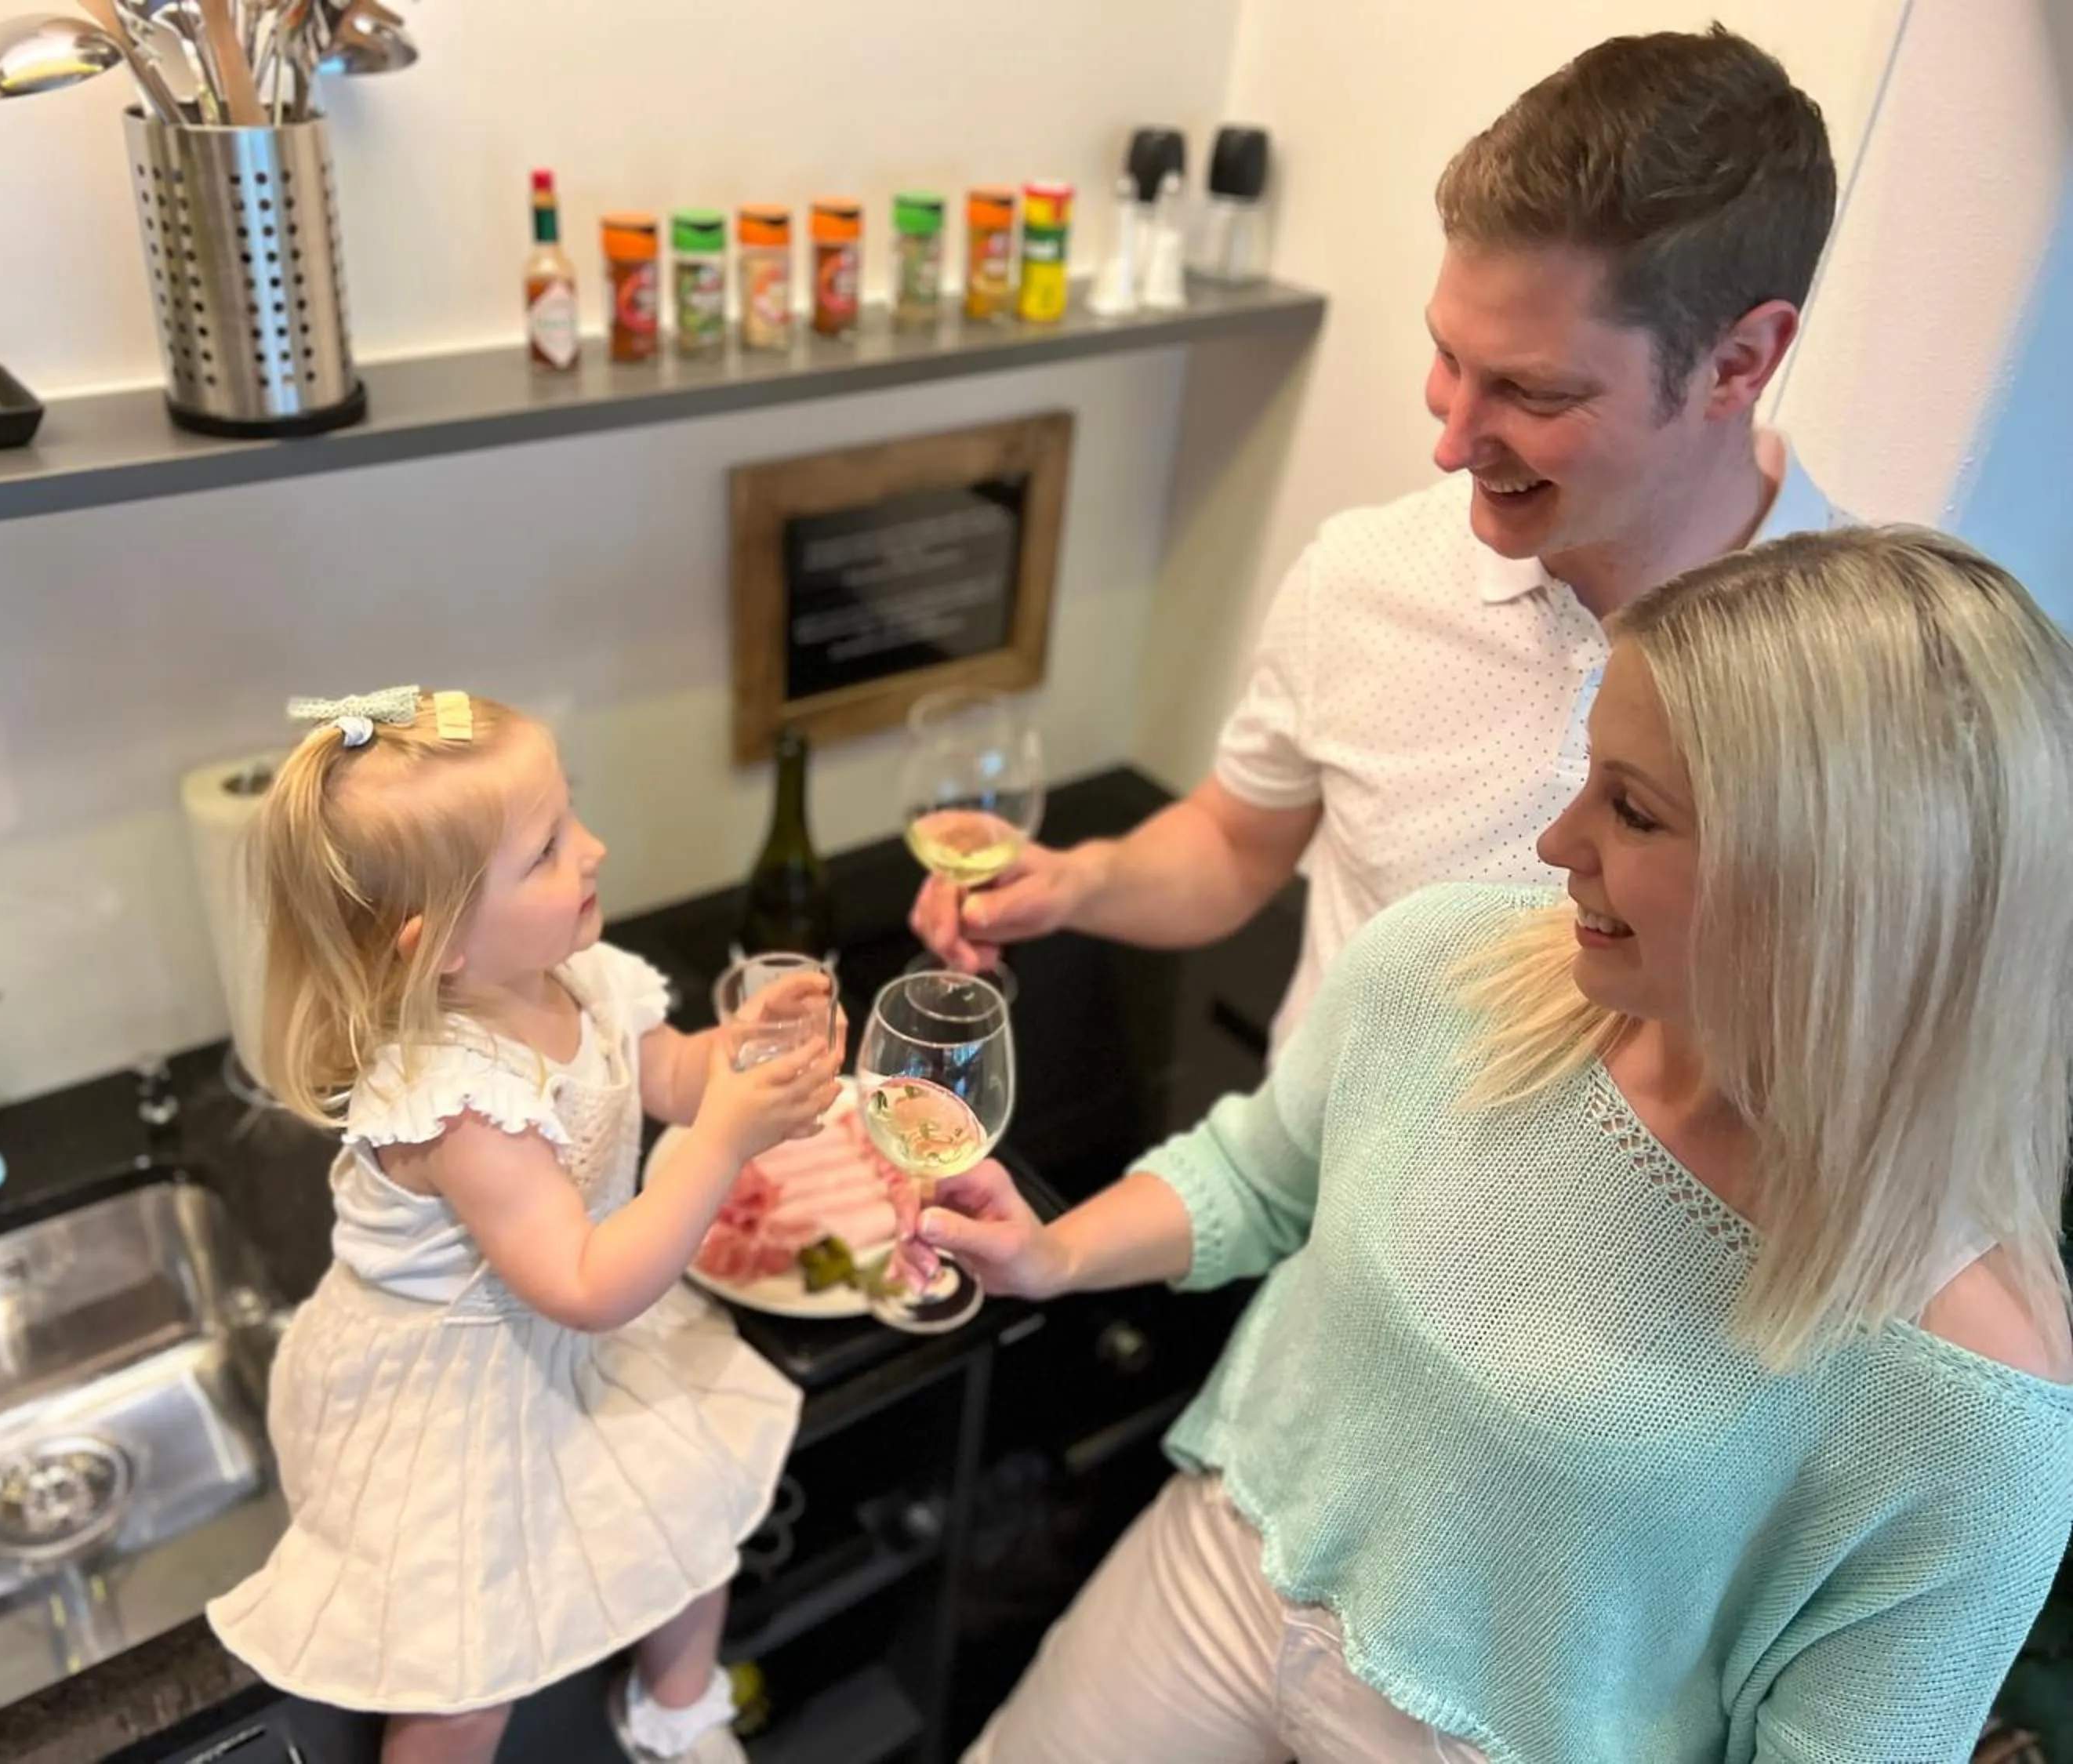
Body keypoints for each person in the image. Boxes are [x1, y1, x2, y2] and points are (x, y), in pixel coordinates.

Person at [925, 528, 2073, 1762]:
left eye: (1633, 809)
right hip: (1238, 1556)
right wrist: (1051, 1253)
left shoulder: (1971, 1408)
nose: (1555, 843)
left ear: (1838, 892)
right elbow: (1255, 1174)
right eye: (1592, 777)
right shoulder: (1452, 965)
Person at [915, 27, 1854, 1051]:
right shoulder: (1363, 576)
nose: (1451, 443)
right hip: (1304, 1156)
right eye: (1448, 356)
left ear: (1739, 362)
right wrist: (1076, 882)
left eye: (1534, 391)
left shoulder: (1885, 696)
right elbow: (1235, 842)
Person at [204, 687, 842, 1764]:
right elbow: (585, 1283)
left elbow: (663, 1074)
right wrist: (726, 1143)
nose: (592, 850)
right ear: (441, 945)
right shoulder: (458, 1100)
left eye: (570, 812)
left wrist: (733, 1055)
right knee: (466, 1675)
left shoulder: (574, 977)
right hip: (451, 1388)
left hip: (563, 1344)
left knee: (691, 1517)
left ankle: (678, 1711)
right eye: (546, 850)